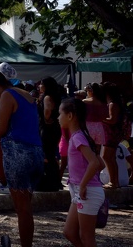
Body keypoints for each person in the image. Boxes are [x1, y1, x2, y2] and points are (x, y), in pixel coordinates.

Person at [0, 64, 43, 247]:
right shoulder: (27, 95)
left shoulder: (7, 95)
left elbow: (2, 129)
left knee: (22, 210)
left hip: (18, 153)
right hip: (36, 153)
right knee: (26, 207)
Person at [59, 97, 104, 247]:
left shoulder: (78, 137)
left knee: (86, 237)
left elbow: (95, 163)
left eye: (60, 113)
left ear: (70, 116)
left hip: (87, 191)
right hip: (81, 191)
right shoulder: (79, 136)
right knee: (70, 232)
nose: (58, 117)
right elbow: (100, 164)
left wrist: (85, 184)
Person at [101, 83, 124, 189]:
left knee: (106, 156)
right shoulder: (115, 103)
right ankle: (114, 181)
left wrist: (100, 119)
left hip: (111, 133)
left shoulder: (112, 104)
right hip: (114, 133)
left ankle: (113, 181)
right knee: (111, 157)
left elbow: (112, 120)